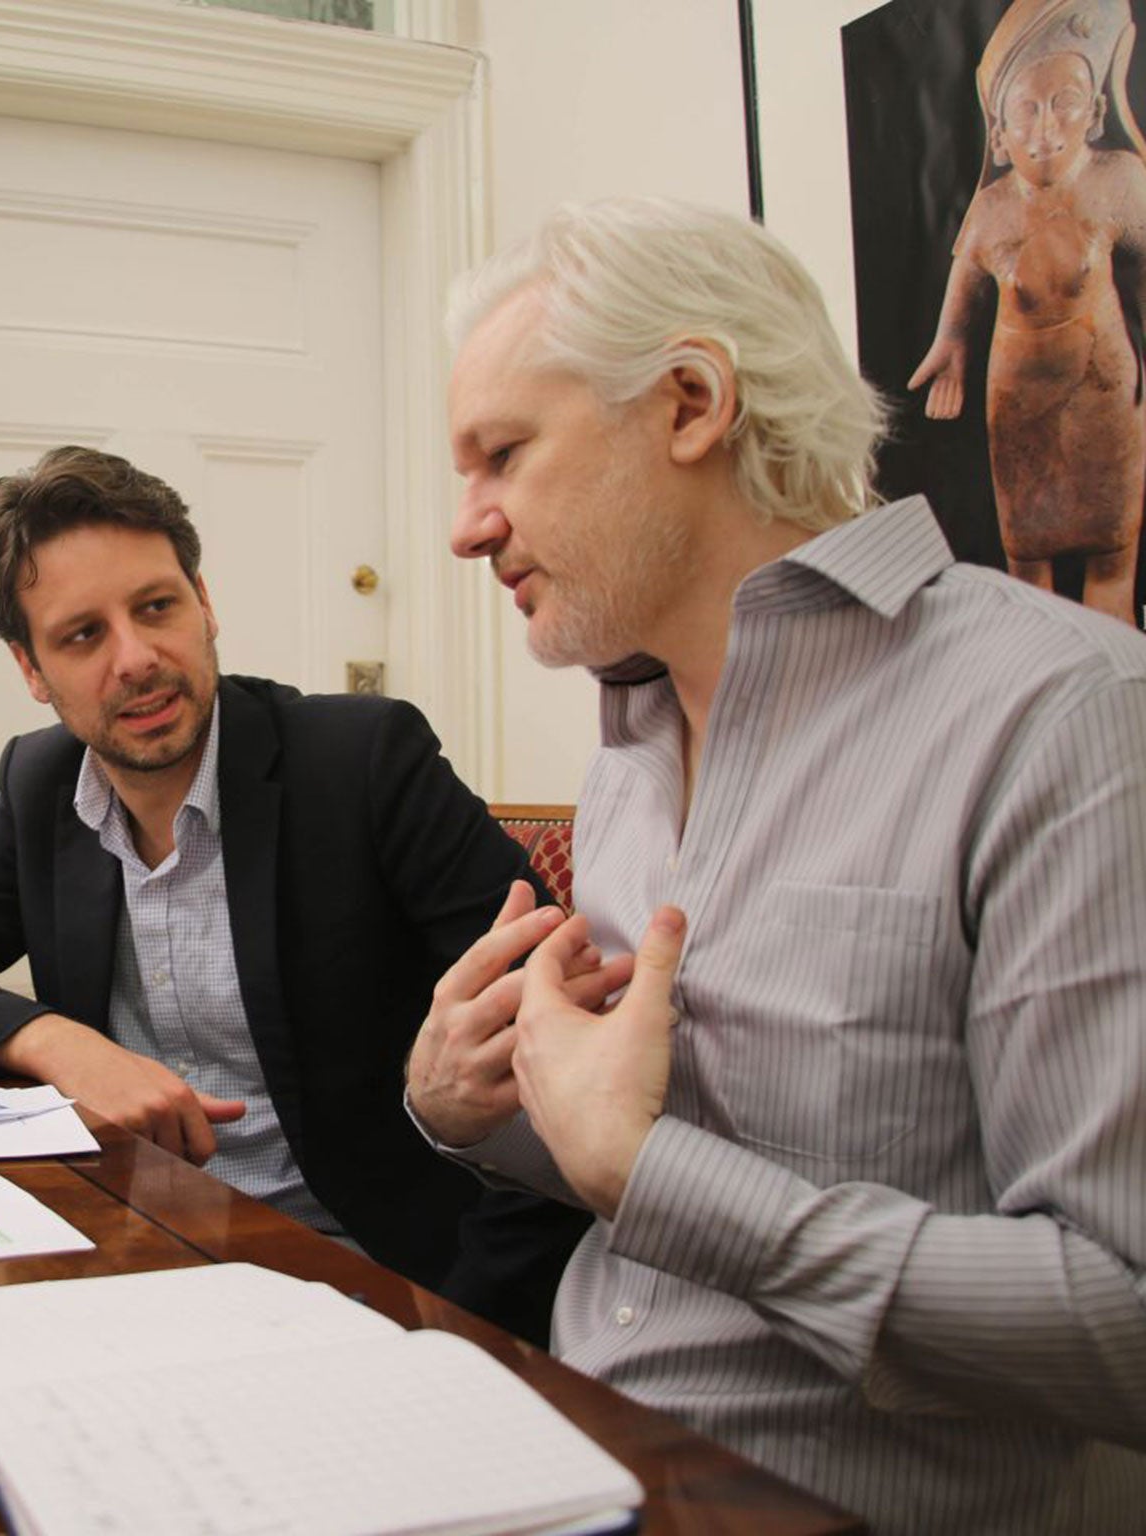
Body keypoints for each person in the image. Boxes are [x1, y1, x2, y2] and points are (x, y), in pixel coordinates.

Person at [410, 197, 1146, 1533]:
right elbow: (670, 1140)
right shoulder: (632, 748)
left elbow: (1125, 1322)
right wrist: (479, 1111)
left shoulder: (1067, 719)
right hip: (577, 1458)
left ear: (690, 402)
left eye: (503, 455)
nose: (467, 527)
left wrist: (651, 1175)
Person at [0, 445, 592, 1345]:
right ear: (31, 670)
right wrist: (68, 1051)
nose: (136, 659)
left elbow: (557, 1049)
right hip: (136, 1262)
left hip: (366, 1278)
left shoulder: (364, 765)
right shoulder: (43, 786)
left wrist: (468, 1331)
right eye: (82, 636)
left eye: (156, 607)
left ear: (205, 604)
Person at [908, 0, 1146, 624]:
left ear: (1095, 113)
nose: (1045, 127)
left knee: (1113, 557)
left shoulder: (1119, 181)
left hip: (1106, 397)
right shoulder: (992, 210)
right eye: (1026, 109)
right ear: (999, 136)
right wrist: (952, 345)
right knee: (1027, 558)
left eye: (1064, 101)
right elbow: (964, 290)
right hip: (1019, 409)